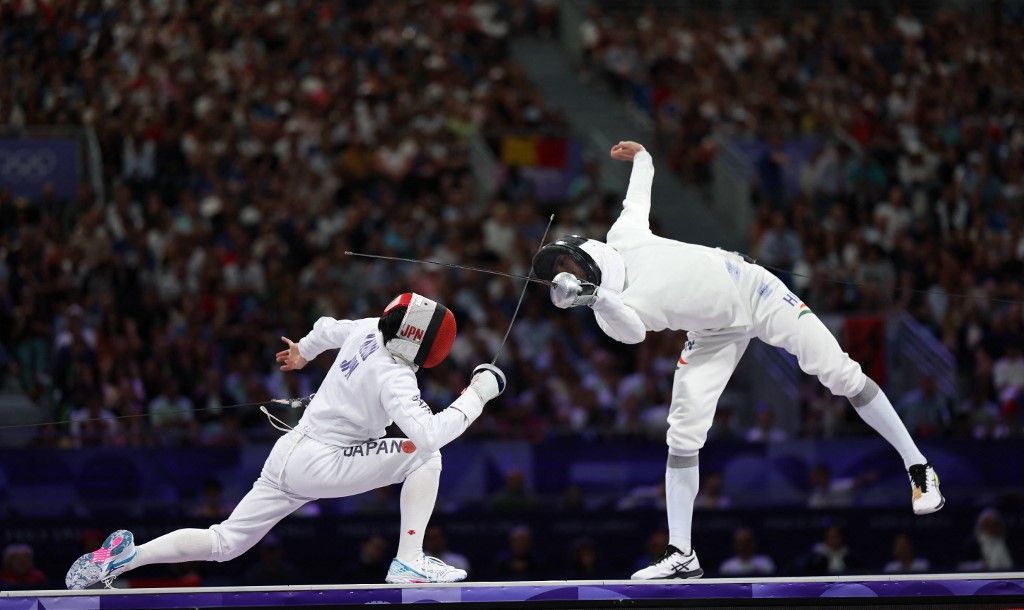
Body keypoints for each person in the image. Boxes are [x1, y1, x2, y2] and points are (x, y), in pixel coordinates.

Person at [532, 140, 943, 579]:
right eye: (558, 276)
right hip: (711, 332)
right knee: (683, 433)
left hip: (754, 291)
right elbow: (631, 333)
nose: (564, 277)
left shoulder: (624, 237)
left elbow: (639, 192)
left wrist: (646, 157)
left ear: (581, 252)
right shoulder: (611, 310)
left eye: (564, 266)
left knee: (841, 374)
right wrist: (595, 299)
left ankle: (918, 466)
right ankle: (682, 553)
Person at [66, 293, 506, 588]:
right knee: (424, 457)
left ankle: (125, 558)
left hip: (290, 453)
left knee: (225, 542)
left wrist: (303, 352)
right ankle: (409, 558)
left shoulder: (371, 327)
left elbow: (328, 326)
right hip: (323, 461)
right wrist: (478, 395)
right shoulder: (393, 375)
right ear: (423, 347)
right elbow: (429, 435)